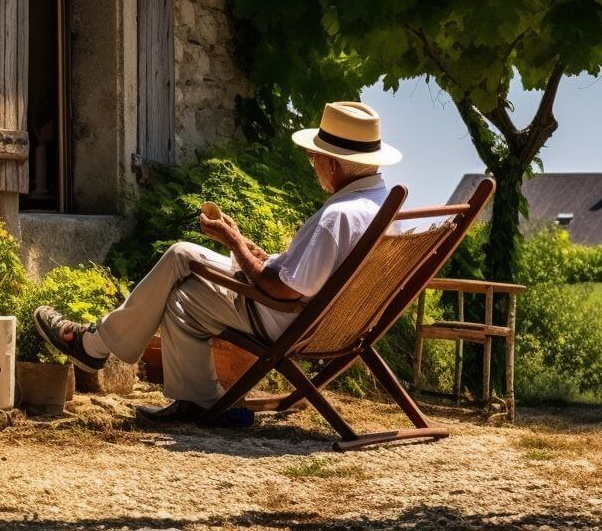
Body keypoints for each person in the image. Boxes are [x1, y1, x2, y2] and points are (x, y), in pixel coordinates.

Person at [34, 101, 403, 426]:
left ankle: (94, 345)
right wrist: (263, 257)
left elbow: (283, 289)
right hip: (334, 323)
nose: (313, 166)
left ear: (333, 165)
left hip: (283, 317)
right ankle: (199, 400)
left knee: (181, 254)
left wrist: (236, 244)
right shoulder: (383, 206)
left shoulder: (337, 216)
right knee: (182, 300)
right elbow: (312, 273)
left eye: (314, 159)